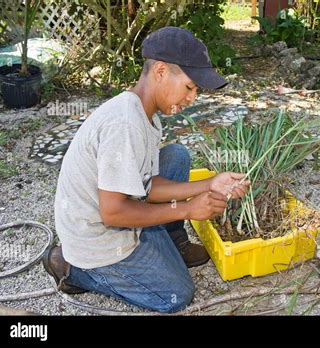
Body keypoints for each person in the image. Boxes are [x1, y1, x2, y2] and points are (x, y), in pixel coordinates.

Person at [42, 26, 250, 313]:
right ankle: (71, 267)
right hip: (99, 236)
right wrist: (187, 210)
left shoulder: (146, 113)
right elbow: (113, 213)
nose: (192, 99)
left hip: (118, 211)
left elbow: (148, 185)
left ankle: (170, 241)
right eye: (189, 87)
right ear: (161, 72)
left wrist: (211, 183)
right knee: (177, 294)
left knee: (176, 156)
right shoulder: (125, 124)